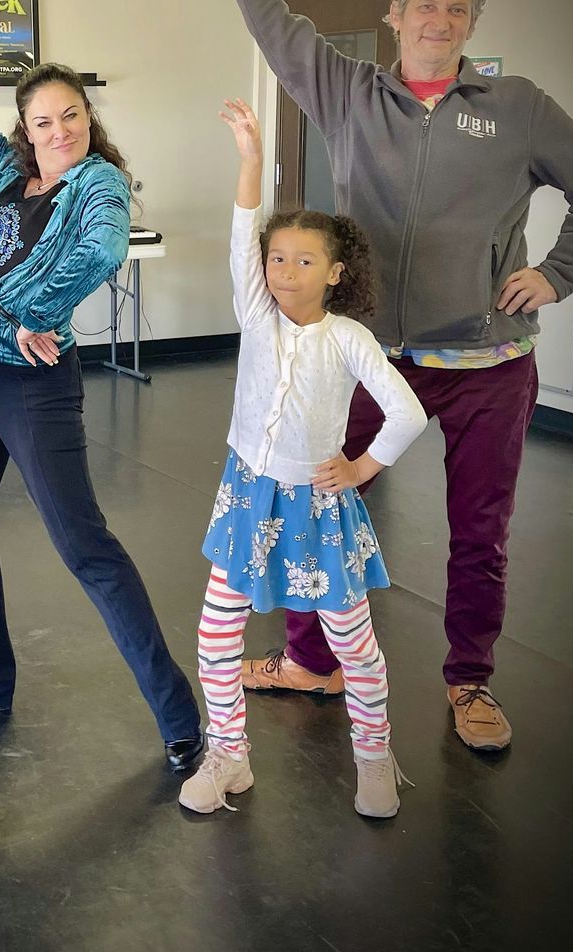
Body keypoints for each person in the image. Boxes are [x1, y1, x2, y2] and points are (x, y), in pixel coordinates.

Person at [209, 0, 573, 750]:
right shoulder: (348, 93)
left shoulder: (519, 107)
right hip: (366, 353)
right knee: (319, 501)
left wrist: (559, 272)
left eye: (457, 9)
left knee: (481, 532)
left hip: (488, 361)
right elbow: (276, 25)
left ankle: (469, 683)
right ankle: (312, 658)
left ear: (471, 23)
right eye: (424, 4)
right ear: (395, 13)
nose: (438, 19)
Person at [0, 0, 204, 771]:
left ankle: (179, 714)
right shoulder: (4, 170)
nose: (58, 130)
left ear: (88, 116)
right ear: (26, 127)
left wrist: (27, 311)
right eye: (42, 121)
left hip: (31, 384)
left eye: (70, 115)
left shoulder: (101, 185)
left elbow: (101, 252)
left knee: (84, 546)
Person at [180, 99, 426, 819]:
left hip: (320, 508)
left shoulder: (349, 338)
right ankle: (229, 755)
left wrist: (361, 467)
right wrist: (250, 161)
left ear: (336, 271)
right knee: (216, 633)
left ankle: (375, 760)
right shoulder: (256, 315)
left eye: (304, 260)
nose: (286, 270)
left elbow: (408, 410)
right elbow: (239, 240)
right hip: (249, 498)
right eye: (277, 258)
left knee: (355, 645)